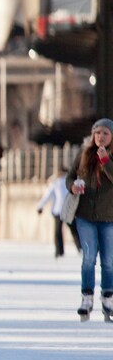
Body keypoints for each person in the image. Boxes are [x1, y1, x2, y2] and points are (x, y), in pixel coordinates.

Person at [66, 118, 113, 321]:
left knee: (109, 261)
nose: (101, 137)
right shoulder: (84, 154)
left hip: (109, 217)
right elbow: (69, 177)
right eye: (97, 133)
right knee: (88, 258)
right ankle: (87, 298)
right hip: (85, 216)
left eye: (105, 133)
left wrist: (106, 162)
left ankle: (108, 298)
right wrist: (72, 186)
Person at [36, 169, 81, 258]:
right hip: (69, 211)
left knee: (58, 232)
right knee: (74, 231)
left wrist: (40, 207)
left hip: (58, 211)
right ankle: (80, 248)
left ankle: (59, 251)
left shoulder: (55, 183)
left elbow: (47, 196)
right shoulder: (71, 183)